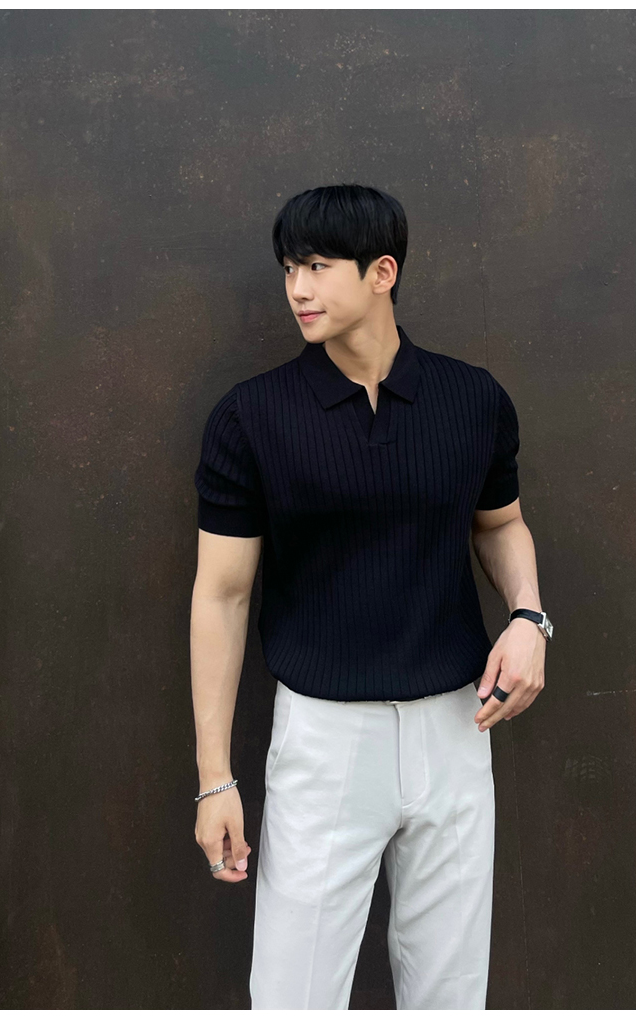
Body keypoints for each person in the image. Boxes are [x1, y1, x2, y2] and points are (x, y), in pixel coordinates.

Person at [190, 184, 551, 1010]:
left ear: (382, 272)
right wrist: (215, 778)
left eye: (318, 267)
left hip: (457, 727)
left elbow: (501, 524)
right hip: (324, 738)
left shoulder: (473, 400)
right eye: (289, 268)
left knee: (450, 992)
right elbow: (222, 596)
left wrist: (529, 615)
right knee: (294, 996)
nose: (298, 289)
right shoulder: (252, 417)